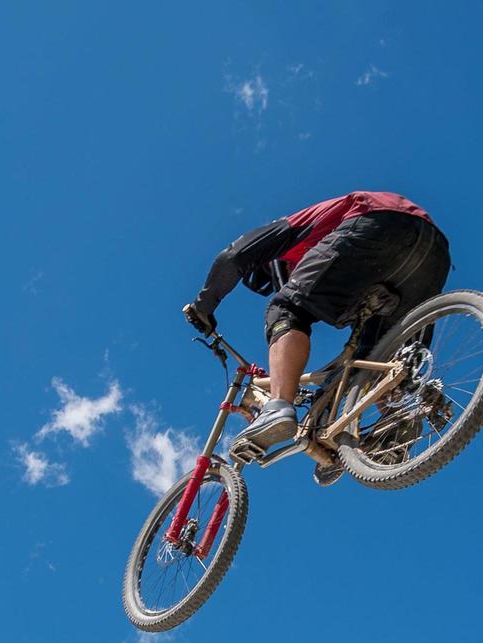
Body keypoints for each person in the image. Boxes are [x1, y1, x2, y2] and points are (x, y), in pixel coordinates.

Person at [184, 190, 451, 453]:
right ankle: (397, 426)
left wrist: (202, 308)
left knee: (285, 308)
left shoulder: (290, 230)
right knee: (377, 360)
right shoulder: (325, 254)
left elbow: (233, 256)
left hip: (376, 223)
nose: (288, 278)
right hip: (433, 256)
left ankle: (278, 407)